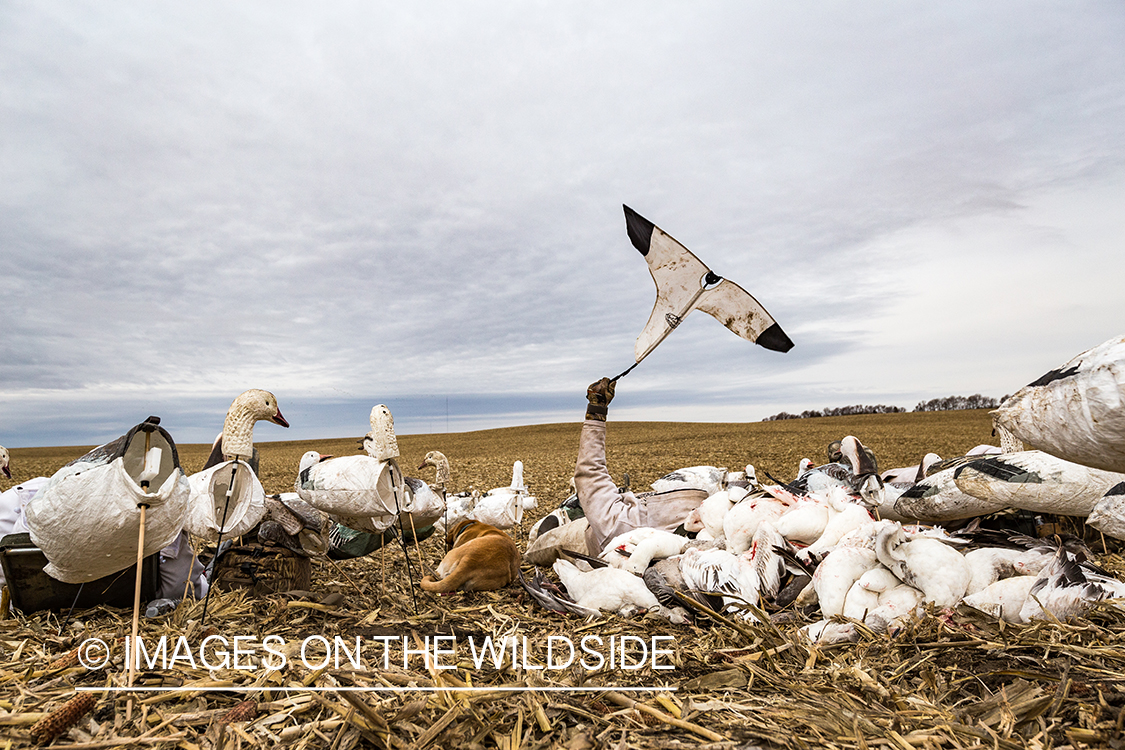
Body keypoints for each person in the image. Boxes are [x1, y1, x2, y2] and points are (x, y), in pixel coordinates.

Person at [574, 377, 707, 556]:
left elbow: (590, 474)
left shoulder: (615, 529)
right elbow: (590, 474)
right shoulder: (619, 528)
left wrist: (596, 410)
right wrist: (597, 409)